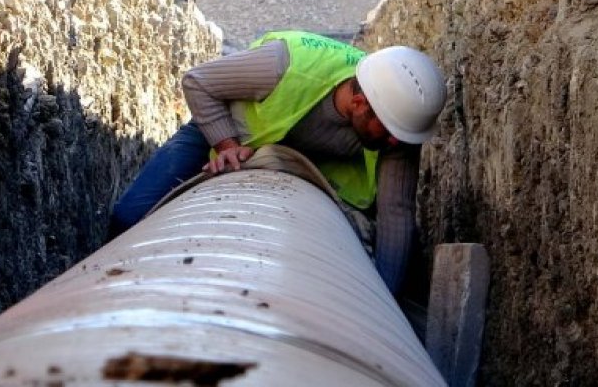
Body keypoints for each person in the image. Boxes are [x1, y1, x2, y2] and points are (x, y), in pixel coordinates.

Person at [109, 30, 447, 294]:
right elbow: (198, 82)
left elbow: (396, 213)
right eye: (389, 132)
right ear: (358, 102)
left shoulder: (396, 120)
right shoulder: (283, 65)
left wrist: (384, 299)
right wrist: (226, 143)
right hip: (230, 132)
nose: (395, 143)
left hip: (309, 165)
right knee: (128, 216)